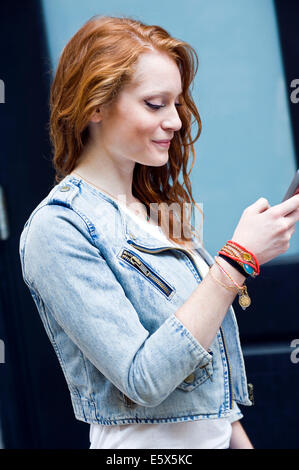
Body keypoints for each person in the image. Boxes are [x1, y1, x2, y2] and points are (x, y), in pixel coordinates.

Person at [19, 15, 299, 450]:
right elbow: (143, 378)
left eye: (177, 104)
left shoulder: (157, 212)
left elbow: (208, 381)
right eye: (155, 104)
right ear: (95, 105)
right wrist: (237, 259)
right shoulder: (59, 228)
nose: (175, 121)